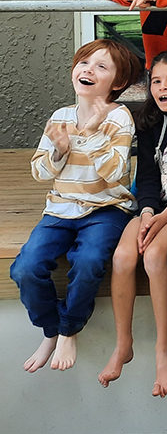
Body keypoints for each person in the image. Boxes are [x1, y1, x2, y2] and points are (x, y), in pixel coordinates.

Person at [11, 39, 141, 373]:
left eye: (101, 66)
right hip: (60, 208)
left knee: (88, 261)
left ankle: (69, 329)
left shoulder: (119, 117)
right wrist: (59, 150)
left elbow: (115, 174)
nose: (89, 70)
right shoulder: (61, 116)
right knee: (25, 268)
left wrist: (93, 134)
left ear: (118, 82)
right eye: (84, 62)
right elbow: (40, 172)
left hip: (106, 209)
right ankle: (51, 329)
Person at [98, 50, 167, 397]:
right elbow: (146, 173)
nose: (162, 87)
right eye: (157, 81)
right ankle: (123, 344)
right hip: (152, 206)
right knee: (122, 257)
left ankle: (165, 349)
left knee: (154, 255)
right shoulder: (147, 120)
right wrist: (147, 212)